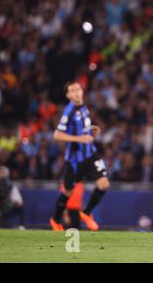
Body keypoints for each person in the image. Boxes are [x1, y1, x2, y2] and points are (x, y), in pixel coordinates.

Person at [49, 81, 110, 231]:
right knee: (68, 191)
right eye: (72, 91)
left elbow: (80, 127)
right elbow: (57, 134)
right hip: (75, 160)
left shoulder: (83, 108)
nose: (76, 92)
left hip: (90, 154)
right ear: (68, 95)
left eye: (78, 89)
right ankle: (56, 220)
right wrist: (79, 139)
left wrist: (90, 130)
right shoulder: (69, 111)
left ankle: (87, 213)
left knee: (104, 184)